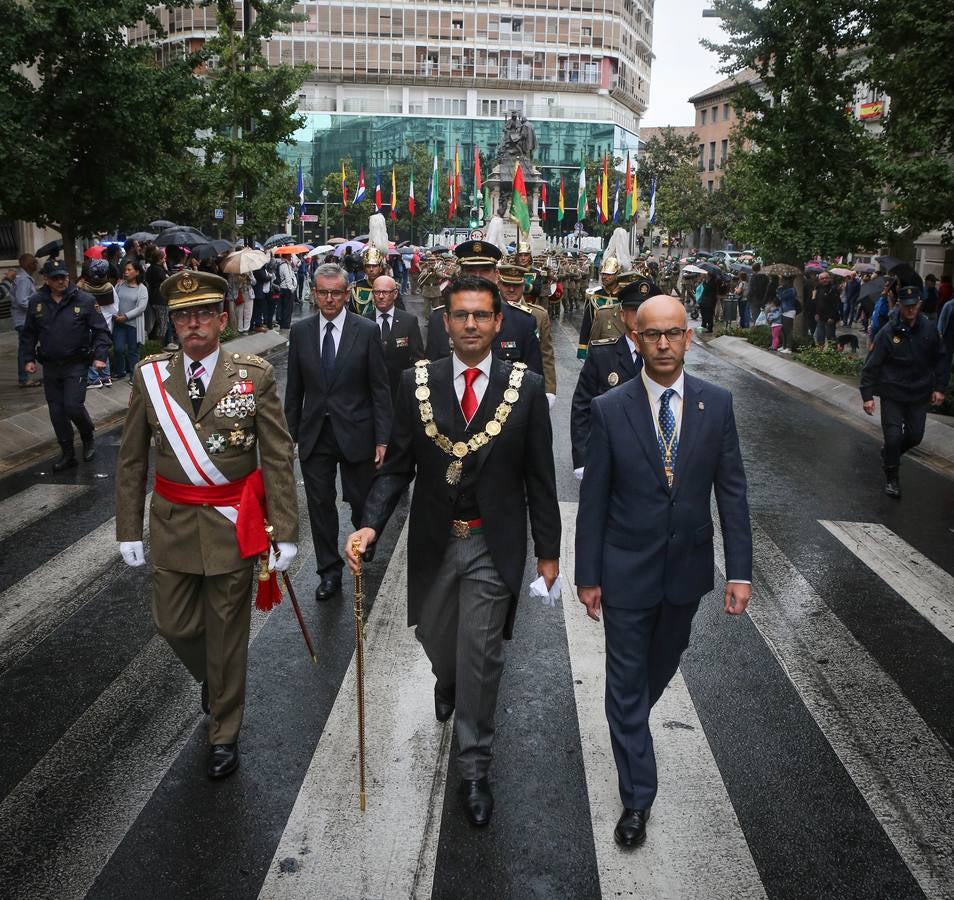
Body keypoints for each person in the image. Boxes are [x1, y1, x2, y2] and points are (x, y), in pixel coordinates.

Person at [345, 275, 560, 828]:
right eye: (460, 315)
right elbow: (396, 466)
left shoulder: (526, 386)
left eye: (481, 316)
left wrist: (549, 552)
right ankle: (448, 680)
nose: (470, 325)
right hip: (436, 542)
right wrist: (371, 524)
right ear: (446, 322)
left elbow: (540, 475)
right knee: (439, 641)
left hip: (494, 542)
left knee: (482, 654)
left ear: (497, 322)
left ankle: (474, 767)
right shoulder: (419, 382)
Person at [575, 293, 752, 850]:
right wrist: (588, 575)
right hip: (625, 569)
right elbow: (595, 500)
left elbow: (734, 494)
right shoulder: (611, 409)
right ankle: (637, 798)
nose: (664, 343)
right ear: (638, 338)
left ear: (688, 337)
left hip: (687, 573)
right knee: (627, 681)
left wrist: (740, 572)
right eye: (653, 334)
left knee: (663, 660)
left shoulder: (716, 404)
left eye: (674, 332)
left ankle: (626, 718)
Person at [115, 269, 298, 779]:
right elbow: (130, 460)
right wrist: (128, 528)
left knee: (227, 634)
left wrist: (284, 531)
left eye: (202, 314)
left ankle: (224, 731)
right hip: (172, 522)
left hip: (230, 523)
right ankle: (214, 681)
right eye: (182, 316)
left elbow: (278, 456)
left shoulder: (253, 374)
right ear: (172, 322)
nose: (192, 324)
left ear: (222, 319)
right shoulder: (150, 376)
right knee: (172, 624)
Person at [284, 263, 392, 602]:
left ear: (347, 295)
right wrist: (288, 438)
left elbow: (380, 388)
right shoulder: (300, 332)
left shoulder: (366, 330)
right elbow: (294, 392)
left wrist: (383, 438)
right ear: (314, 294)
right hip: (315, 434)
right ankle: (329, 573)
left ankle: (364, 538)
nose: (329, 299)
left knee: (360, 500)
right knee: (320, 507)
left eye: (336, 293)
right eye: (323, 293)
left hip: (357, 432)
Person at [19, 259, 111, 470]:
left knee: (72, 406)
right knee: (56, 412)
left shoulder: (85, 300)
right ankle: (67, 453)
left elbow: (101, 332)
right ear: (46, 279)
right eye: (55, 278)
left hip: (76, 363)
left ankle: (87, 435)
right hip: (51, 365)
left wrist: (100, 356)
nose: (61, 281)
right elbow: (29, 334)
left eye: (64, 277)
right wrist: (28, 359)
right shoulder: (37, 301)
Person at [860, 285, 950, 498]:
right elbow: (872, 364)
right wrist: (867, 396)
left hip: (919, 392)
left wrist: (939, 388)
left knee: (915, 435)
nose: (910, 310)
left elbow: (942, 359)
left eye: (914, 305)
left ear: (919, 304)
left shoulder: (929, 330)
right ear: (899, 305)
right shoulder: (888, 332)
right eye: (906, 306)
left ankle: (891, 454)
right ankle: (892, 478)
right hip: (893, 392)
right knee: (892, 437)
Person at [570, 278, 654, 479]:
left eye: (647, 309)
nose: (640, 315)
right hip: (609, 453)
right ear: (623, 315)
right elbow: (582, 406)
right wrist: (582, 458)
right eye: (635, 310)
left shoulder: (664, 354)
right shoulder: (602, 354)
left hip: (654, 456)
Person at [424, 241, 543, 377]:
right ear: (460, 274)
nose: (477, 276)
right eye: (470, 271)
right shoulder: (438, 319)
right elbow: (430, 377)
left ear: (497, 274)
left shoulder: (523, 322)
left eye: (485, 270)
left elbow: (533, 382)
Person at [496, 261, 556, 406]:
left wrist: (549, 390)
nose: (511, 289)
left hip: (527, 385)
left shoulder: (538, 315)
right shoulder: (489, 312)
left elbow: (546, 355)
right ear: (498, 284)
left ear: (523, 286)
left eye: (516, 285)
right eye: (506, 284)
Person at [367, 274, 425, 403]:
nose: (381, 296)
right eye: (377, 292)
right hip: (371, 392)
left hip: (401, 390)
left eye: (385, 292)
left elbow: (417, 357)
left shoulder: (408, 321)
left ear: (395, 294)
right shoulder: (364, 321)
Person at [76, 260, 117, 388]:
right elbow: (115, 309)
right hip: (107, 323)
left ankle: (94, 378)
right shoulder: (110, 288)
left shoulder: (82, 289)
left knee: (91, 349)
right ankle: (106, 376)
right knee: (102, 348)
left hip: (90, 325)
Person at [578, 255, 623, 358]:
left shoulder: (624, 296)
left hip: (620, 346)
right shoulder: (594, 295)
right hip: (598, 345)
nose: (604, 277)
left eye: (608, 274)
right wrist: (582, 347)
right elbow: (587, 324)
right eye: (603, 274)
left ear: (617, 275)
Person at [112, 261, 149, 383]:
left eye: (129, 270)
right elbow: (114, 301)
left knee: (133, 351)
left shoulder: (142, 289)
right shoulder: (119, 286)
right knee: (118, 349)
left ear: (137, 272)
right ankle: (120, 371)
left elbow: (141, 308)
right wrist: (115, 315)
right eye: (125, 270)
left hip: (133, 325)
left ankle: (134, 376)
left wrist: (126, 316)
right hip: (119, 323)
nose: (126, 272)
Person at [11, 254, 42, 387]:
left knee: (25, 348)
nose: (36, 265)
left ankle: (24, 378)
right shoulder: (23, 279)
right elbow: (22, 301)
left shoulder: (24, 278)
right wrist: (37, 305)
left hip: (24, 319)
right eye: (34, 262)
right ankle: (24, 379)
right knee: (25, 349)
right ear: (27, 265)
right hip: (23, 320)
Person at [813, 272, 840, 346]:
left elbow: (836, 304)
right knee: (819, 337)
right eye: (822, 278)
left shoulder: (833, 289)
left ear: (829, 279)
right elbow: (816, 302)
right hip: (820, 316)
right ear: (819, 280)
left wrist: (832, 317)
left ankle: (832, 354)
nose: (824, 280)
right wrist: (816, 313)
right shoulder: (818, 288)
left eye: (826, 278)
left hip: (829, 318)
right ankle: (820, 353)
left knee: (830, 337)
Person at [777, 275, 799, 353]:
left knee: (788, 330)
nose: (781, 281)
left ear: (787, 281)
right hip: (784, 310)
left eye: (782, 280)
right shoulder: (785, 289)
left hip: (789, 311)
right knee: (783, 329)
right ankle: (784, 346)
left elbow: (781, 297)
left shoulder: (791, 290)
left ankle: (789, 348)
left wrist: (779, 290)